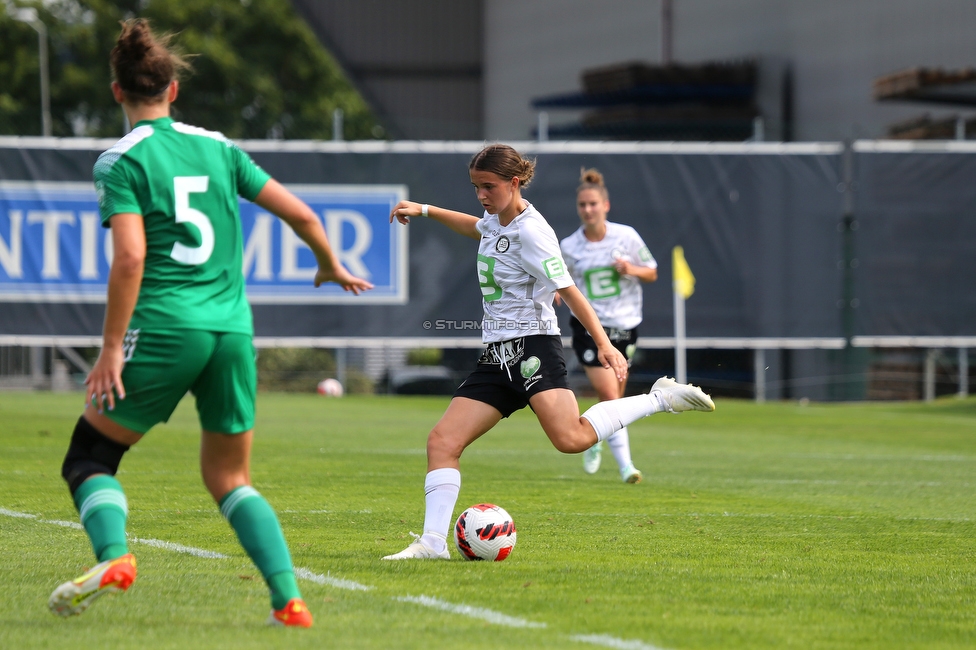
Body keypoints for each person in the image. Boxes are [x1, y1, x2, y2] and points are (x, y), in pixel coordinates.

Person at [47, 19, 372, 627]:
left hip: (169, 328)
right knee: (229, 476)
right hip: (232, 334)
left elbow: (131, 256)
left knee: (88, 458)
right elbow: (301, 213)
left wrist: (111, 348)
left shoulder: (120, 161)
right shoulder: (220, 149)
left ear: (116, 92)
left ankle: (115, 557)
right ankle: (288, 600)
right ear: (173, 90)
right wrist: (329, 264)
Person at [383, 144, 714, 560]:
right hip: (497, 355)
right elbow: (477, 228)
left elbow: (569, 291)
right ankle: (433, 543)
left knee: (571, 438)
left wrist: (605, 344)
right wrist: (427, 210)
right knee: (442, 441)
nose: (482, 196)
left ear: (514, 183)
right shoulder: (497, 219)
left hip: (533, 349)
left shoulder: (533, 231)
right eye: (475, 188)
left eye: (489, 187)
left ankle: (661, 398)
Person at [559, 168, 658, 483]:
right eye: (582, 205)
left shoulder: (625, 236)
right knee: (611, 397)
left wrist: (631, 269)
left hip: (625, 326)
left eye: (593, 204)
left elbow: (652, 271)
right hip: (589, 328)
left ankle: (594, 436)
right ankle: (627, 467)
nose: (588, 210)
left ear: (606, 206)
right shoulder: (570, 245)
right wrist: (556, 294)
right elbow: (560, 279)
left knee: (614, 398)